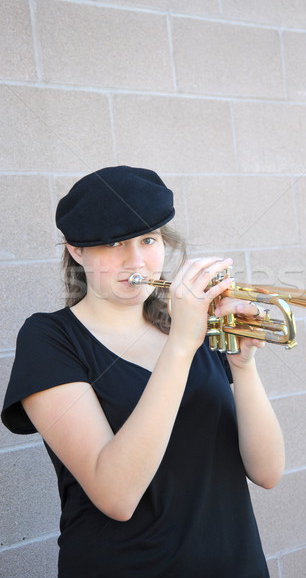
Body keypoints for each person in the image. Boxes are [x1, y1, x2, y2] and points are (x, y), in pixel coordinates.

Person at [1, 166, 285, 578]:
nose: (136, 260)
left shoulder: (188, 326)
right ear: (76, 251)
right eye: (115, 243)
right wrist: (183, 345)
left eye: (148, 240)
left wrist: (244, 365)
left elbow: (267, 472)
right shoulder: (50, 338)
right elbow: (116, 494)